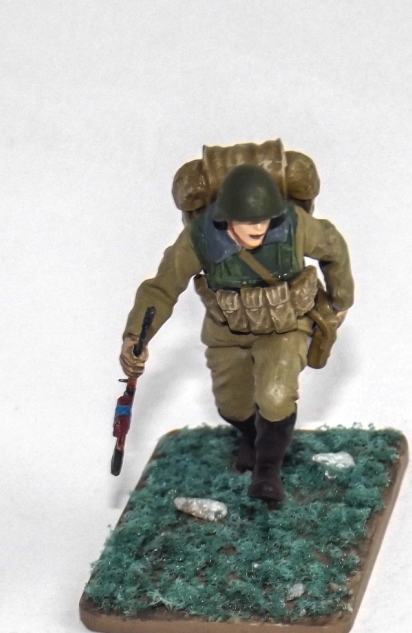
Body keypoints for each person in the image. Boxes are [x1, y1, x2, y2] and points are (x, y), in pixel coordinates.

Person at [120, 163, 353, 502]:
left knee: (275, 396)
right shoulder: (200, 238)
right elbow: (161, 289)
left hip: (283, 327)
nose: (259, 227)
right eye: (248, 220)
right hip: (226, 330)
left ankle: (267, 471)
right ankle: (252, 439)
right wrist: (135, 337)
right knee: (232, 405)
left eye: (265, 219)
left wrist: (340, 299)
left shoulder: (295, 227)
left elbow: (333, 246)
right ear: (227, 218)